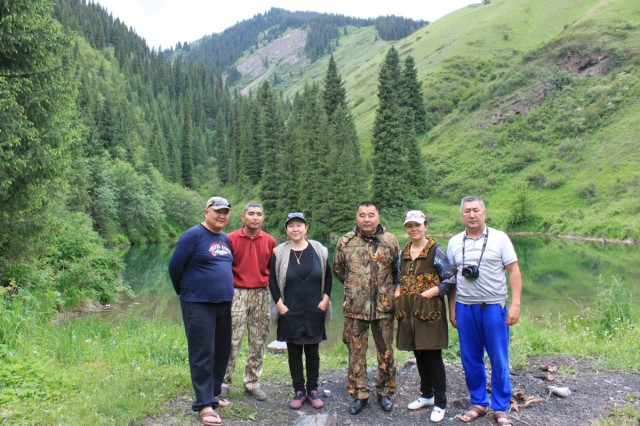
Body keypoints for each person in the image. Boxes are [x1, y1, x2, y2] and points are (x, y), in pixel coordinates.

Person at [446, 196, 522, 426]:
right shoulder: (454, 242)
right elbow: (451, 278)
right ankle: (478, 402)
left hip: (493, 306)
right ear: (462, 215)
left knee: (499, 357)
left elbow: (514, 272)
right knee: (470, 358)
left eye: (476, 210)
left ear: (484, 213)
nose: (472, 215)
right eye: (467, 211)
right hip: (465, 307)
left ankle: (500, 407)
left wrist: (515, 304)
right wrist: (452, 308)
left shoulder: (500, 238)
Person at [168, 196, 234, 426]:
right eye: (217, 211)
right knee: (202, 352)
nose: (222, 216)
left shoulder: (224, 238)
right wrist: (186, 291)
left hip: (223, 303)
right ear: (206, 212)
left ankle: (213, 395)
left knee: (221, 350)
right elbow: (175, 267)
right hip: (198, 303)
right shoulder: (193, 235)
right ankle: (204, 405)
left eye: (225, 212)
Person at [333, 201, 399, 415]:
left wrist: (386, 291)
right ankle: (359, 393)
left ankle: (385, 391)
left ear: (378, 217)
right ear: (357, 217)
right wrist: (356, 288)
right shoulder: (346, 241)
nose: (367, 219)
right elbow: (339, 270)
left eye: (371, 214)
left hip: (384, 306)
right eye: (362, 215)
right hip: (355, 306)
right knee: (356, 352)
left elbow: (397, 271)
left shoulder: (390, 240)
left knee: (386, 350)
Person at [393, 210, 456, 423]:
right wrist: (397, 292)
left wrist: (430, 293)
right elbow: (399, 279)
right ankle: (427, 395)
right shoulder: (403, 252)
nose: (414, 229)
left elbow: (449, 280)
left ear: (425, 226)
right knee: (419, 353)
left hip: (430, 312)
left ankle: (440, 403)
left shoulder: (436, 251)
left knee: (433, 356)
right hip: (409, 313)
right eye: (410, 225)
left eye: (417, 225)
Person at [268, 212, 332, 410]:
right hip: (290, 310)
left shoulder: (319, 250)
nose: (295, 229)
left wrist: (325, 300)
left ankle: (312, 390)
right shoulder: (279, 252)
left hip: (314, 310)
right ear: (286, 229)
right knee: (294, 352)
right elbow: (272, 280)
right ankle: (298, 391)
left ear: (306, 228)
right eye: (291, 226)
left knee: (313, 352)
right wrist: (280, 305)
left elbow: (328, 277)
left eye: (299, 225)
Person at [222, 202, 277, 401]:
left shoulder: (270, 241)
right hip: (237, 293)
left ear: (263, 218)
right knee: (231, 339)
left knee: (258, 339)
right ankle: (224, 382)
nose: (255, 217)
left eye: (259, 214)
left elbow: (273, 270)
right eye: (251, 213)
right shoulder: (230, 239)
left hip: (261, 293)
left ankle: (252, 382)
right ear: (243, 217)